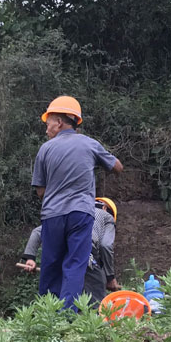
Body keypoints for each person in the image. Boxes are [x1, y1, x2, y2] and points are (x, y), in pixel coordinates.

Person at [32, 96, 123, 310]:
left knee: (50, 265)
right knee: (75, 265)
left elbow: (40, 191)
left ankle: (47, 316)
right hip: (81, 214)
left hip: (52, 215)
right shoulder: (89, 144)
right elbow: (117, 167)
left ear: (60, 122)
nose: (46, 130)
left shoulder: (45, 150)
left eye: (48, 124)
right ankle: (67, 317)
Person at [21, 197, 119, 306]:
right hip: (86, 252)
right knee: (97, 303)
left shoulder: (72, 212)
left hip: (58, 252)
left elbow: (37, 232)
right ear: (105, 208)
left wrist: (30, 258)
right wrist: (110, 277)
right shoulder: (106, 216)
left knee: (56, 299)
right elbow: (105, 245)